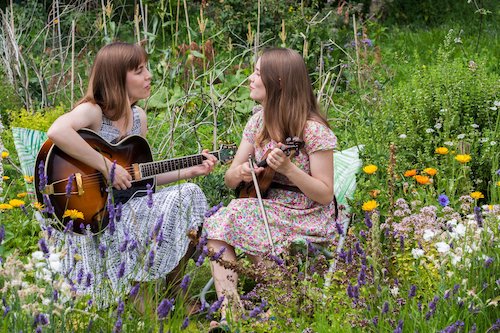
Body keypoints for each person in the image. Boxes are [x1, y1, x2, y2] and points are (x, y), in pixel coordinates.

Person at [44, 41, 217, 306]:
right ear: (116, 77)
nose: (148, 76)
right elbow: (57, 131)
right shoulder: (93, 112)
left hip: (129, 206)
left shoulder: (139, 118)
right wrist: (106, 167)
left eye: (146, 68)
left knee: (188, 193)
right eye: (139, 70)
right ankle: (143, 293)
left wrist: (189, 171)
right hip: (93, 212)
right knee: (184, 199)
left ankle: (174, 289)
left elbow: (138, 179)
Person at [204, 47, 337, 326]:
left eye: (256, 73)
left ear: (277, 82)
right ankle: (232, 313)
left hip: (307, 212)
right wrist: (240, 172)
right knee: (217, 226)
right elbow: (229, 178)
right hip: (266, 206)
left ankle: (283, 301)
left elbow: (325, 194)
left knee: (237, 217)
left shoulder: (313, 130)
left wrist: (289, 169)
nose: (250, 79)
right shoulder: (257, 122)